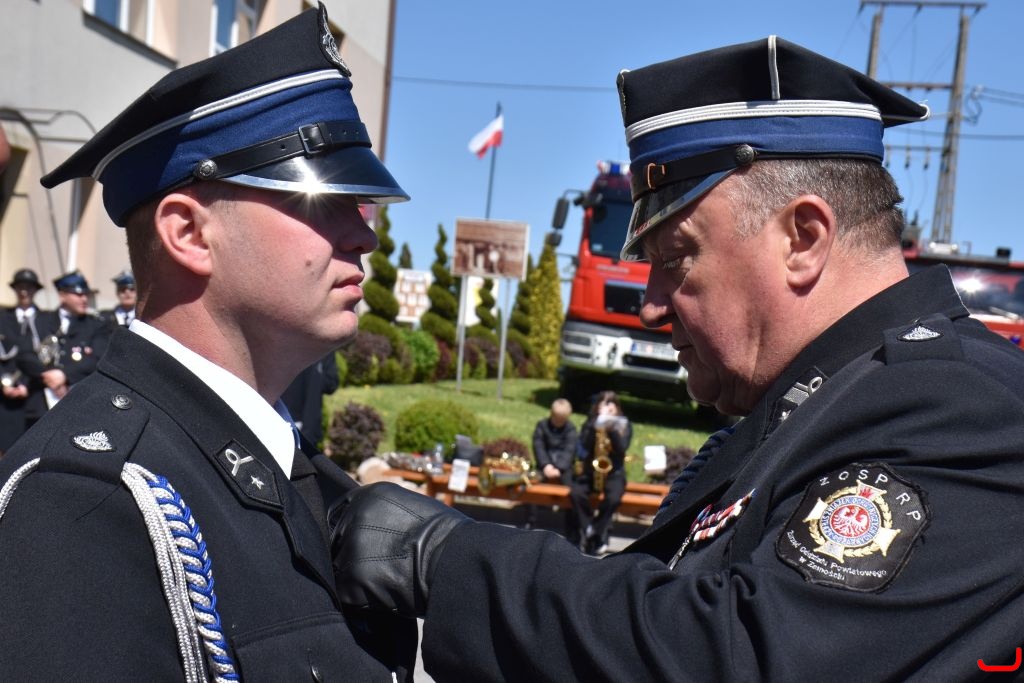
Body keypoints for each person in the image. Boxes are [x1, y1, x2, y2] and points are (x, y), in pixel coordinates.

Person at [330, 36, 1024, 681]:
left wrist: (447, 559)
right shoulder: (820, 406)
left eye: (677, 257)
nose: (651, 306)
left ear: (804, 239)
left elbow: (739, 654)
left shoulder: (959, 404)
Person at [0, 4, 415, 680]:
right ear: (189, 234)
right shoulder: (83, 500)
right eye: (324, 200)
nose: (364, 235)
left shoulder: (289, 467)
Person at [570, 391, 632, 555]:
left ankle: (595, 530)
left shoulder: (624, 425)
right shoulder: (590, 423)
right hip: (591, 470)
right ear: (597, 406)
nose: (607, 406)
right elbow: (584, 448)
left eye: (611, 402)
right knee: (576, 493)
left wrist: (611, 430)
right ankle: (588, 527)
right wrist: (595, 426)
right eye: (603, 402)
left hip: (614, 471)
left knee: (613, 498)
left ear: (617, 407)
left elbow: (622, 449)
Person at [40, 270, 113, 403]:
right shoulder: (42, 320)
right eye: (78, 295)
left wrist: (64, 375)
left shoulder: (96, 325)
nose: (84, 299)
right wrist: (49, 376)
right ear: (62, 296)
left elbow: (98, 358)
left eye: (86, 295)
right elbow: (26, 353)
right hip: (41, 396)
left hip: (79, 396)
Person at [0, 269, 53, 449]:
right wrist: (4, 383)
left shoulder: (46, 320)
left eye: (29, 288)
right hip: (5, 395)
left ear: (35, 290)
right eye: (20, 287)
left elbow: (47, 356)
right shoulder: (3, 318)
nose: (24, 292)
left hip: (35, 394)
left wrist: (26, 384)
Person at [528, 397, 578, 535]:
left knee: (571, 491)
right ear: (551, 414)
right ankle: (531, 519)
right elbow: (538, 446)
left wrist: (559, 467)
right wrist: (546, 465)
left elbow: (570, 450)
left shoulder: (571, 429)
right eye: (557, 418)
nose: (559, 422)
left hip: (564, 468)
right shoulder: (542, 426)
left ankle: (571, 526)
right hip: (544, 465)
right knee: (532, 484)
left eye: (562, 419)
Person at [281, 351, 340, 447]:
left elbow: (331, 384)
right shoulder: (324, 347)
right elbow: (331, 383)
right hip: (302, 420)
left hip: (284, 414)